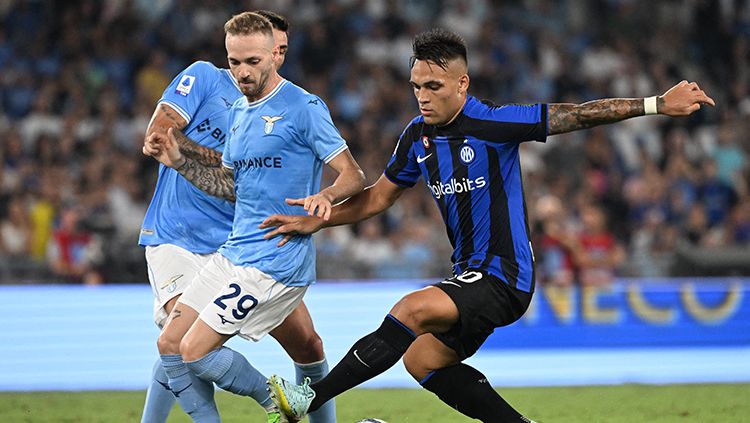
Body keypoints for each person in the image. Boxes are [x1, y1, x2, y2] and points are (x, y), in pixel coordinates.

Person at [262, 28, 715, 422]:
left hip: (505, 275)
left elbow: (577, 114)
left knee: (411, 310)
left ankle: (308, 398)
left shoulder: (494, 122)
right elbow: (378, 197)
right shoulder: (416, 136)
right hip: (469, 275)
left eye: (433, 86)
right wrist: (317, 223)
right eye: (416, 85)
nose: (422, 96)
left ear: (462, 84)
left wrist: (656, 104)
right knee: (422, 361)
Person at [145, 11, 365, 423]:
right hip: (231, 251)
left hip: (273, 258)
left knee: (194, 350)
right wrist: (177, 161)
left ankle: (276, 400)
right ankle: (285, 403)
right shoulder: (241, 115)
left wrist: (326, 197)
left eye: (253, 62)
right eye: (235, 62)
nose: (243, 72)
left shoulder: (304, 106)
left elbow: (354, 174)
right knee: (171, 343)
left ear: (275, 55)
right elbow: (231, 186)